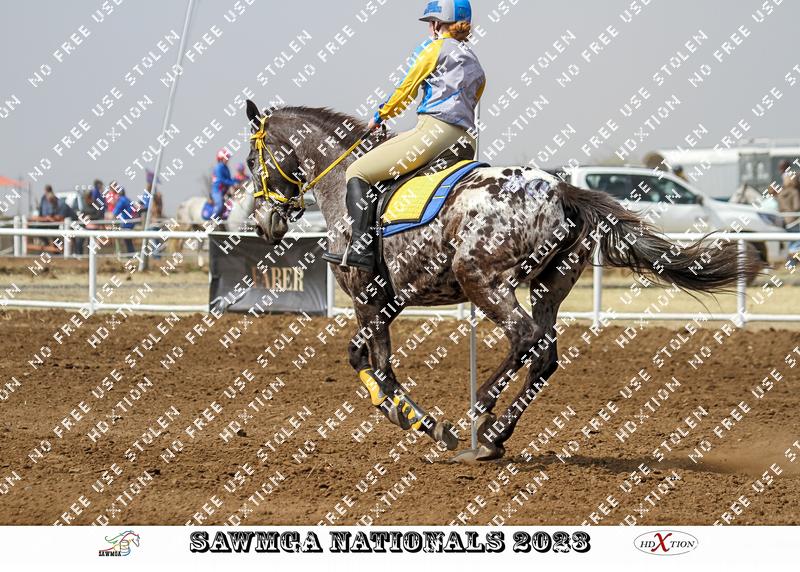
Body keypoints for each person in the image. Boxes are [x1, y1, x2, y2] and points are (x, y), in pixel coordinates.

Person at [323, 0, 486, 270]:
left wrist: (380, 116)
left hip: (433, 134)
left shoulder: (433, 49)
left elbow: (406, 89)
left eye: (430, 23)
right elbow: (474, 99)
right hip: (466, 143)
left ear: (437, 24)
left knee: (357, 171)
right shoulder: (475, 62)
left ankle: (361, 249)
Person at [211, 149, 238, 219]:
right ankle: (211, 221)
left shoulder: (226, 167)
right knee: (220, 205)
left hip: (225, 191)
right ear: (221, 158)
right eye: (226, 158)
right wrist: (233, 183)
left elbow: (229, 179)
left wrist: (237, 181)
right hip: (217, 191)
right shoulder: (218, 167)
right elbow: (222, 180)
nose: (228, 159)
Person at [112, 186, 137, 254]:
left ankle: (127, 254)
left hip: (125, 223)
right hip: (130, 222)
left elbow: (115, 212)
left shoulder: (121, 200)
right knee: (128, 240)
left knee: (126, 240)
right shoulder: (128, 199)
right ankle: (130, 253)